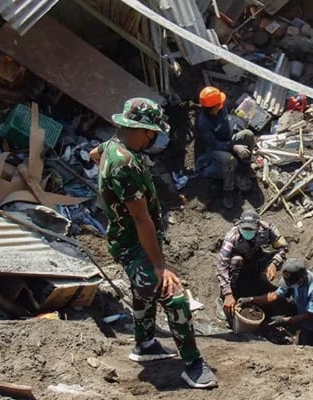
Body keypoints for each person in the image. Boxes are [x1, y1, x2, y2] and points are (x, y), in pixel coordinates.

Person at [90, 98, 217, 389]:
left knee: (143, 290)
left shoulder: (111, 146)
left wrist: (109, 195)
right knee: (172, 294)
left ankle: (145, 344)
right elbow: (141, 219)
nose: (152, 139)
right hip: (132, 242)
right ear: (141, 130)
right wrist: (160, 266)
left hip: (125, 237)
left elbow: (93, 154)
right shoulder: (124, 165)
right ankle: (193, 365)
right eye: (151, 133)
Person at [238, 259, 313, 346]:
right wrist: (250, 299)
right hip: (309, 328)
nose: (289, 285)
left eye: (292, 283)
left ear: (301, 278)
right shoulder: (292, 280)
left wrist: (284, 320)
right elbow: (275, 296)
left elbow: (310, 315)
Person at [217, 209, 288, 319]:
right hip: (238, 263)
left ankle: (258, 278)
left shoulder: (267, 228)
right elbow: (222, 265)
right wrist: (227, 293)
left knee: (281, 260)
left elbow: (283, 247)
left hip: (256, 257)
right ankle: (230, 292)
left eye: (251, 229)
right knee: (236, 260)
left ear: (258, 225)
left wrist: (274, 264)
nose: (247, 231)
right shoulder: (232, 237)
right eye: (244, 228)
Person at [195, 86, 256, 208]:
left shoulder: (221, 109)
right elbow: (213, 144)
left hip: (227, 140)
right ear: (211, 108)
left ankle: (245, 165)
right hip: (212, 151)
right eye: (219, 103)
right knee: (229, 160)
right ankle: (228, 190)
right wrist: (233, 148)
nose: (222, 104)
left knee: (248, 135)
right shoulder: (203, 123)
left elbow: (227, 124)